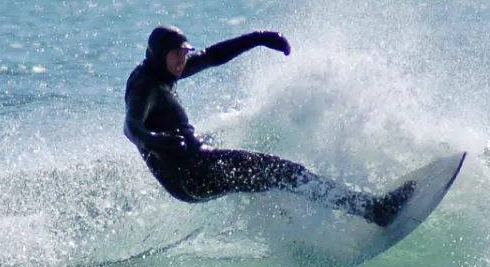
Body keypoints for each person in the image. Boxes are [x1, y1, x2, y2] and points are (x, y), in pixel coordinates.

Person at [123, 25, 413, 227]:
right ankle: (374, 210)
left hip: (194, 173)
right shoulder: (144, 85)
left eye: (184, 53)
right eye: (176, 54)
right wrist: (157, 142)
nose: (182, 60)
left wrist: (258, 38)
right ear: (158, 54)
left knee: (275, 181)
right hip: (195, 171)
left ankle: (303, 242)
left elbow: (212, 56)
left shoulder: (165, 70)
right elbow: (131, 128)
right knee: (286, 172)